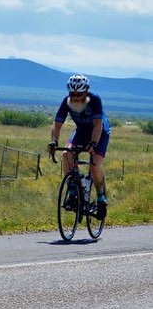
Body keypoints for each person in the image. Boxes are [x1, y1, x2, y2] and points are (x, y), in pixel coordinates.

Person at [47, 73, 110, 218]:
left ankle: (101, 198)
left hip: (99, 132)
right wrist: (54, 141)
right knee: (66, 154)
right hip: (81, 131)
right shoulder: (67, 101)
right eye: (72, 93)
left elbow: (97, 124)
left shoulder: (94, 100)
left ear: (86, 91)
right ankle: (73, 191)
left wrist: (93, 143)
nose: (75, 97)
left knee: (94, 166)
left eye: (79, 94)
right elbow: (57, 125)